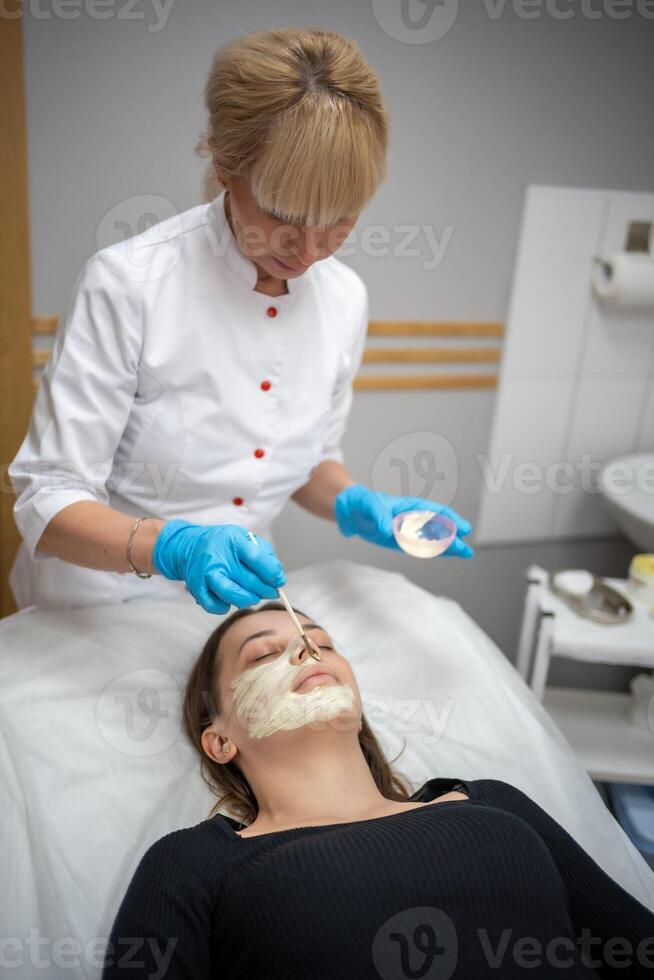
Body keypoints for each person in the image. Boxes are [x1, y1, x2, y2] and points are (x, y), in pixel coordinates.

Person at [8, 25, 473, 613]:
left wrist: (357, 504)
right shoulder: (130, 284)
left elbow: (302, 461)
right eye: (283, 215)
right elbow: (47, 499)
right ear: (227, 165)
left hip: (239, 602)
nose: (308, 251)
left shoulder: (345, 298)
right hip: (98, 601)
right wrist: (170, 545)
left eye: (339, 221)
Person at [102, 603, 654, 979]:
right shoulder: (193, 863)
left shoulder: (491, 803)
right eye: (264, 654)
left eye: (320, 643)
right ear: (220, 740)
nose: (307, 653)